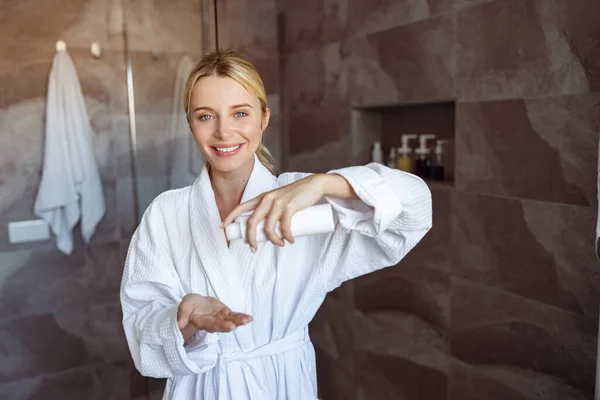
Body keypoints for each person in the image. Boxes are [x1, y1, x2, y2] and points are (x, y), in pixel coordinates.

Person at [120, 49, 432, 400]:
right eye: (206, 116)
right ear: (190, 123)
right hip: (202, 389)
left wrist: (321, 183)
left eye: (240, 113)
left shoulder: (307, 202)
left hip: (282, 385)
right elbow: (141, 330)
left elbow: (414, 207)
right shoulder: (166, 213)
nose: (224, 132)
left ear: (264, 118)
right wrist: (188, 317)